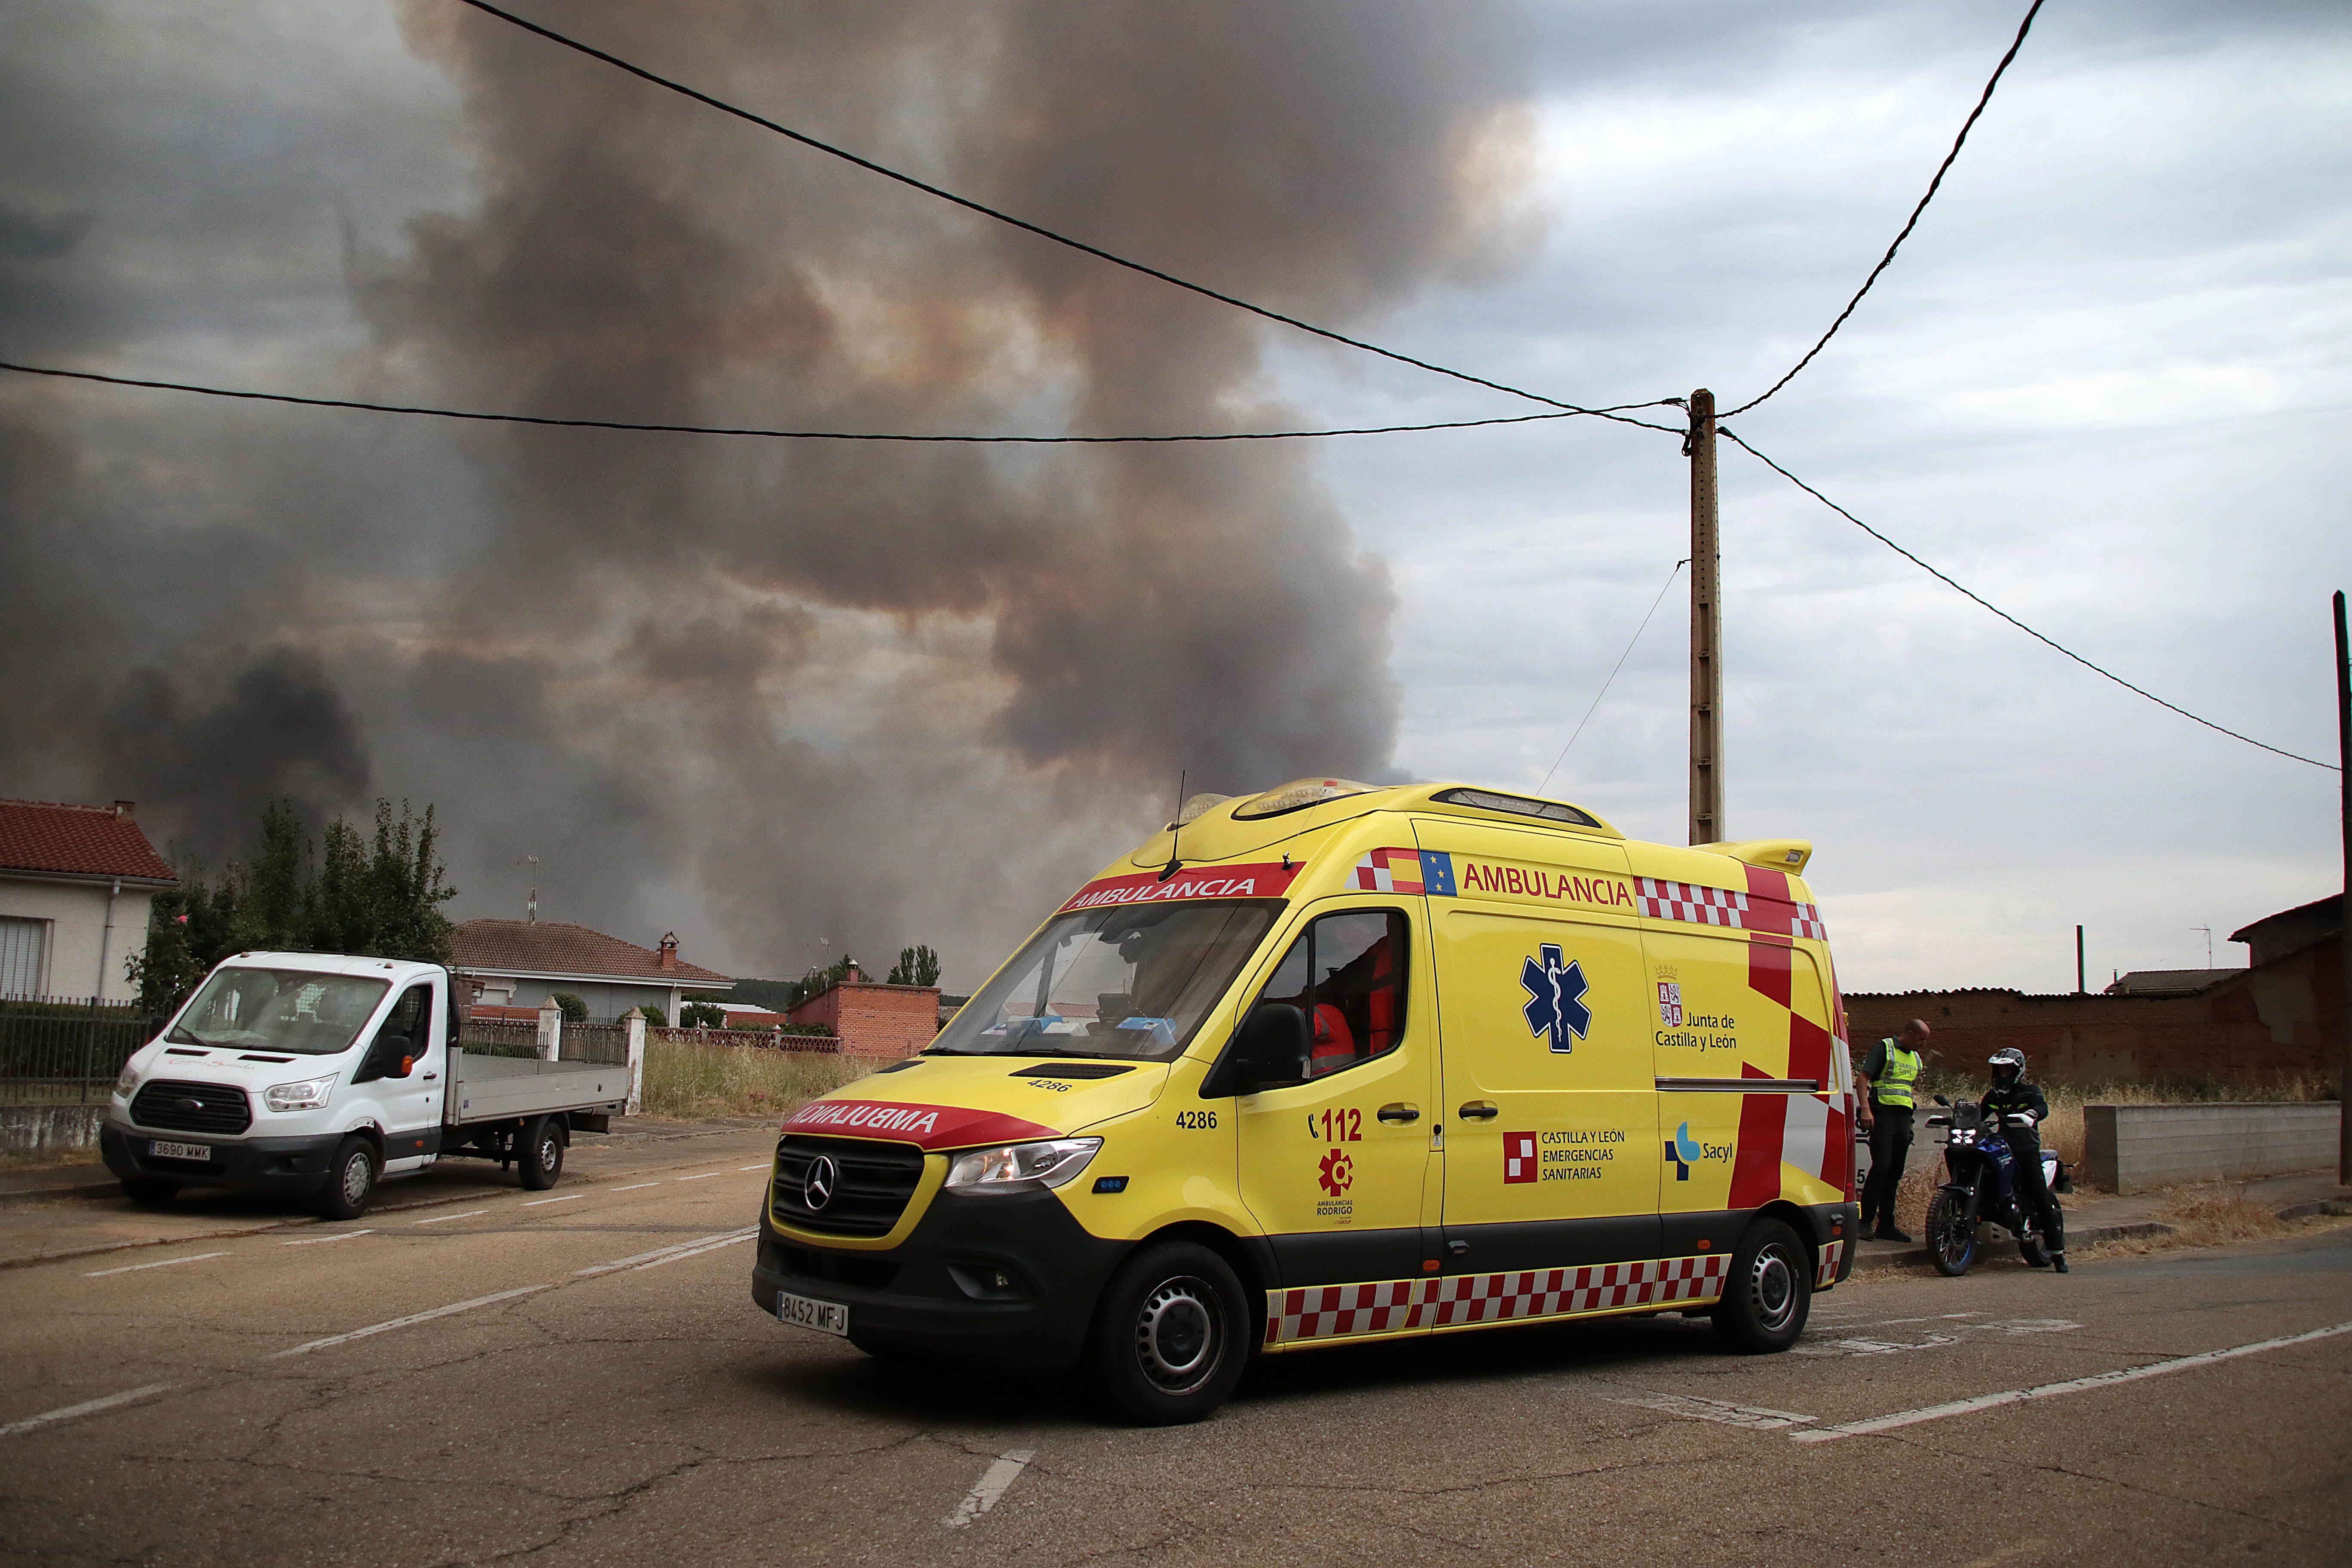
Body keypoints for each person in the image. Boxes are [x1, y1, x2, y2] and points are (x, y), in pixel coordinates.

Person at [1982, 1047, 2068, 1274]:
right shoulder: (1993, 1096)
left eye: (2008, 1070)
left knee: (2039, 1195)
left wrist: (2032, 1115)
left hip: (2026, 1149)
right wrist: (1956, 1119)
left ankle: (2058, 1252)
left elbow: (2042, 1107)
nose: (2003, 1075)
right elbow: (1978, 1115)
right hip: (2002, 1147)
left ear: (2018, 1070)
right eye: (1999, 1070)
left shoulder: (2030, 1092)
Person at [1857, 1019, 1934, 1241]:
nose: (1923, 1045)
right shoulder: (1885, 1049)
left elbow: (1906, 1091)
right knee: (1882, 1166)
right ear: (1909, 1033)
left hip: (1902, 1119)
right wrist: (1865, 1110)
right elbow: (1863, 1078)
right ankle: (1865, 1222)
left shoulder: (1915, 1058)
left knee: (1895, 1172)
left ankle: (1886, 1225)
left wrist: (1909, 1122)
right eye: (1921, 1040)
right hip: (1882, 1115)